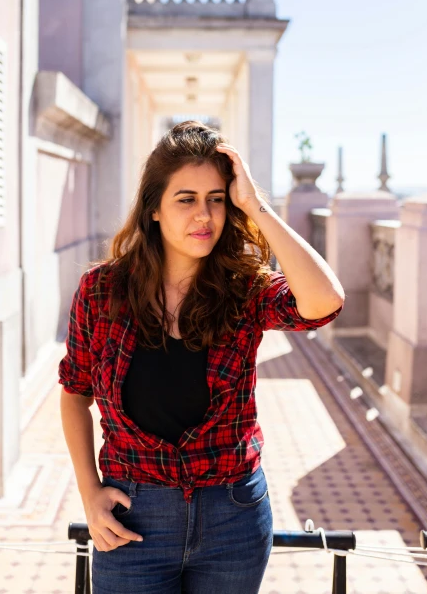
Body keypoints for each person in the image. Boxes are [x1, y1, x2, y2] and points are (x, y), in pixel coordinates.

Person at [58, 120, 345, 594]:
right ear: (153, 209)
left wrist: (256, 205)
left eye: (216, 198)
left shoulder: (243, 288)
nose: (204, 215)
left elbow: (324, 302)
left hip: (232, 518)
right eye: (186, 199)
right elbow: (74, 394)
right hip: (132, 518)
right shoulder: (103, 290)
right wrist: (89, 493)